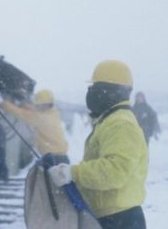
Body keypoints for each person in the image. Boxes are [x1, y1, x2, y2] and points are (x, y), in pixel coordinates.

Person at [48, 60, 148, 229]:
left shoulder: (120, 124)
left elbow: (115, 171)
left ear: (111, 92)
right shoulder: (110, 120)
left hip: (120, 220)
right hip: (112, 215)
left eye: (95, 88)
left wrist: (73, 173)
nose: (91, 93)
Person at [0, 89, 69, 163]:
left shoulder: (40, 118)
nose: (36, 106)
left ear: (45, 105)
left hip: (54, 160)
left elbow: (21, 113)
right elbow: (36, 111)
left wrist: (2, 102)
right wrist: (23, 103)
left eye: (38, 104)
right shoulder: (52, 113)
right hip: (61, 158)